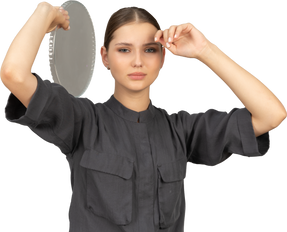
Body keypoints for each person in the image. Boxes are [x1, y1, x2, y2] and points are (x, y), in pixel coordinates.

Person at [1, 1, 287, 232]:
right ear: (104, 58)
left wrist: (205, 50)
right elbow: (13, 74)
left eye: (150, 50)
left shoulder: (184, 128)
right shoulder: (82, 120)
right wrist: (42, 12)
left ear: (164, 59)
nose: (137, 61)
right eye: (124, 50)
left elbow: (273, 114)